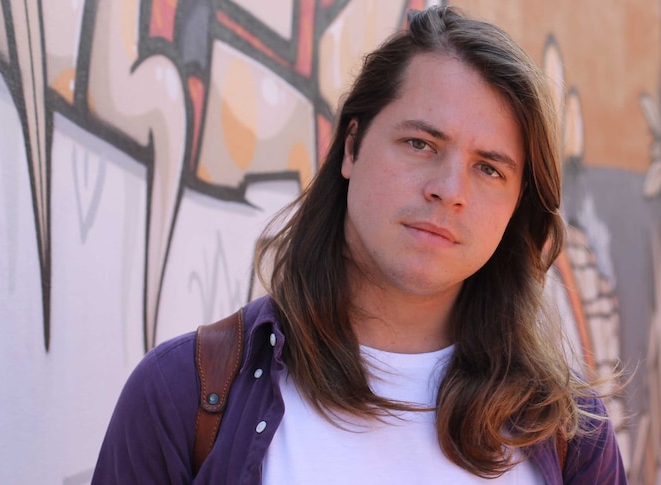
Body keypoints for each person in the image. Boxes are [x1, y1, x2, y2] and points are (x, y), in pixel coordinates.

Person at [92, 6, 626, 484]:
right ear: (352, 148)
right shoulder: (184, 394)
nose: (449, 190)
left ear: (516, 207)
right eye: (420, 143)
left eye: (489, 168)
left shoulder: (569, 434)